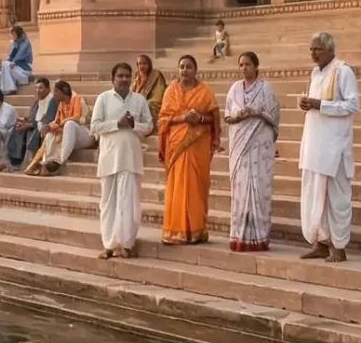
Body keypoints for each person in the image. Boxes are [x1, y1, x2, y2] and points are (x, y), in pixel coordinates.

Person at [297, 32, 360, 261]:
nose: (313, 54)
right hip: (314, 146)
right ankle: (320, 243)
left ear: (330, 50)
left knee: (336, 198)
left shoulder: (343, 71)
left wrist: (320, 105)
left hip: (334, 148)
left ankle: (339, 247)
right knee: (315, 197)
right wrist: (307, 104)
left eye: (317, 49)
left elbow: (352, 105)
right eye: (311, 50)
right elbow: (316, 105)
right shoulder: (315, 73)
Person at [90, 61, 154, 258]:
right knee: (108, 203)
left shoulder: (139, 100)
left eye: (127, 76)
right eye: (120, 76)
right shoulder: (103, 98)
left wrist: (134, 125)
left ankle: (126, 244)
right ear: (113, 79)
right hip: (109, 158)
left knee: (129, 203)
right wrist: (117, 124)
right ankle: (109, 245)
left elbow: (149, 126)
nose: (124, 79)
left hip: (131, 158)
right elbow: (94, 126)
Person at [158, 54, 219, 245]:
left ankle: (196, 230)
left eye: (189, 67)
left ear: (195, 70)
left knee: (196, 187)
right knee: (177, 186)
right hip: (176, 145)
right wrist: (183, 118)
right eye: (182, 66)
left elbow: (213, 118)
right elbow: (163, 119)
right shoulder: (170, 91)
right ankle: (175, 230)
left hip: (198, 146)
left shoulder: (205, 91)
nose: (185, 70)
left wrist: (199, 118)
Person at [222, 51, 279, 252]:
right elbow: (227, 116)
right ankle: (239, 237)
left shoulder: (266, 89)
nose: (244, 68)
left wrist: (256, 113)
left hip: (259, 147)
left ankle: (259, 237)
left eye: (247, 64)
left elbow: (274, 117)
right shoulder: (234, 89)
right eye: (241, 65)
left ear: (256, 66)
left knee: (259, 189)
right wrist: (239, 116)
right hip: (239, 148)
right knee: (240, 189)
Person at [30, 80, 88, 174]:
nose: (54, 94)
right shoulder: (61, 103)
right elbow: (57, 121)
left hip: (84, 133)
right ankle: (46, 163)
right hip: (68, 135)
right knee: (49, 133)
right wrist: (49, 126)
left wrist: (63, 122)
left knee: (69, 124)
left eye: (56, 91)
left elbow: (78, 118)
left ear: (64, 91)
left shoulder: (77, 99)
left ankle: (59, 162)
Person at [4, 81, 46, 170]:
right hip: (31, 124)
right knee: (15, 128)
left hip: (40, 127)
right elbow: (30, 117)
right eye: (36, 88)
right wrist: (23, 121)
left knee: (30, 132)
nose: (38, 90)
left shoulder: (49, 102)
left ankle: (26, 163)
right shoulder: (36, 102)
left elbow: (43, 120)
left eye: (40, 88)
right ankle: (13, 161)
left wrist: (28, 125)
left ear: (47, 89)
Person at [0, 24, 35, 95]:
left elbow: (20, 54)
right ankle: (5, 88)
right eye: (12, 34)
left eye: (14, 34)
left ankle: (10, 88)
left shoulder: (26, 42)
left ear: (18, 34)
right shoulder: (15, 43)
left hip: (24, 67)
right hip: (16, 66)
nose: (13, 36)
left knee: (5, 65)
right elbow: (10, 56)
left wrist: (13, 62)